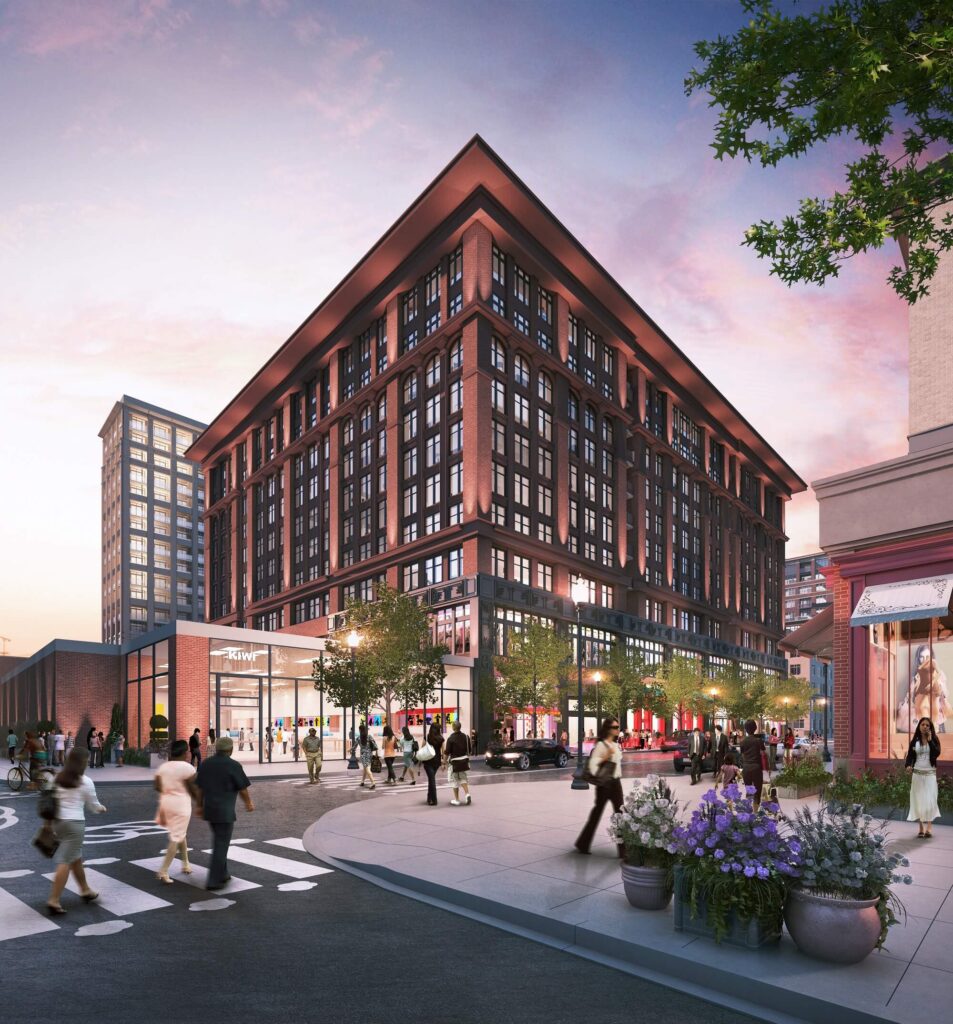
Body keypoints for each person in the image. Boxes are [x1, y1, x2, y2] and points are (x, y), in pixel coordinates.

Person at [45, 748, 107, 914]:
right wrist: (102, 809)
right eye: (86, 760)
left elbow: (49, 802)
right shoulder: (85, 781)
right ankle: (54, 900)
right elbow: (93, 806)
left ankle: (85, 890)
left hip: (58, 823)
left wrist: (48, 824)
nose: (87, 763)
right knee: (65, 860)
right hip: (74, 825)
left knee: (76, 858)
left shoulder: (57, 778)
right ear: (82, 763)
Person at [195, 736, 254, 890]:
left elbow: (199, 788)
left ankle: (223, 873)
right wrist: (248, 803)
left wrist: (199, 806)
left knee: (220, 841)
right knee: (221, 844)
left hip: (210, 810)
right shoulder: (233, 765)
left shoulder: (206, 764)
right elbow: (242, 788)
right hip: (225, 812)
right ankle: (213, 880)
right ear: (230, 749)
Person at [575, 718, 624, 856]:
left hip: (616, 783)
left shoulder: (615, 744)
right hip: (604, 784)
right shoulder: (602, 745)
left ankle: (623, 851)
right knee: (596, 814)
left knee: (620, 815)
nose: (617, 729)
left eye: (618, 727)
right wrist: (606, 757)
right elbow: (592, 765)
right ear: (608, 729)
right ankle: (583, 844)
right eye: (615, 727)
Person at [154, 739, 199, 883]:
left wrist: (169, 792)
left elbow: (157, 786)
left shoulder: (164, 767)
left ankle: (185, 864)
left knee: (179, 833)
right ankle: (163, 871)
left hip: (166, 803)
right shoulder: (189, 768)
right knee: (176, 836)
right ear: (185, 752)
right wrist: (200, 803)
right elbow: (193, 789)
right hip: (181, 805)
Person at [906, 717, 941, 838]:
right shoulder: (915, 740)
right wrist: (908, 766)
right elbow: (910, 756)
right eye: (923, 724)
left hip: (930, 774)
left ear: (930, 727)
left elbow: (936, 754)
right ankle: (921, 827)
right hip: (917, 774)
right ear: (919, 726)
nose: (925, 727)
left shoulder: (934, 739)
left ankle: (929, 826)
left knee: (930, 799)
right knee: (918, 800)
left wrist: (930, 740)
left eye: (927, 725)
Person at [445, 720, 472, 806]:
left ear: (453, 727)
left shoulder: (450, 738)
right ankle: (467, 794)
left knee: (454, 781)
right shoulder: (466, 737)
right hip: (464, 761)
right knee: (463, 778)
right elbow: (470, 750)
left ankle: (457, 800)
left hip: (454, 763)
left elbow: (447, 752)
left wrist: (444, 762)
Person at [740, 720, 765, 810]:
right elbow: (763, 753)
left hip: (746, 768)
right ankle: (755, 811)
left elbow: (742, 755)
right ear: (755, 728)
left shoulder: (742, 741)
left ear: (746, 729)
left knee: (749, 790)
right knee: (757, 791)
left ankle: (748, 812)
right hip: (757, 767)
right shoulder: (759, 741)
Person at [423, 722, 443, 806]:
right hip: (437, 761)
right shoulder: (441, 738)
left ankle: (434, 799)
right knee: (431, 779)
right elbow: (443, 750)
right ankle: (429, 798)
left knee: (431, 780)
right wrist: (444, 762)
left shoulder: (427, 737)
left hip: (428, 761)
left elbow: (422, 747)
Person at [357, 724, 377, 789]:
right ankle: (362, 781)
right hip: (369, 754)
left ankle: (373, 782)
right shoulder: (369, 736)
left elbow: (354, 746)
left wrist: (350, 749)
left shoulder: (358, 738)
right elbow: (375, 745)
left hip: (363, 755)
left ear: (360, 730)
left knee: (367, 768)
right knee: (365, 768)